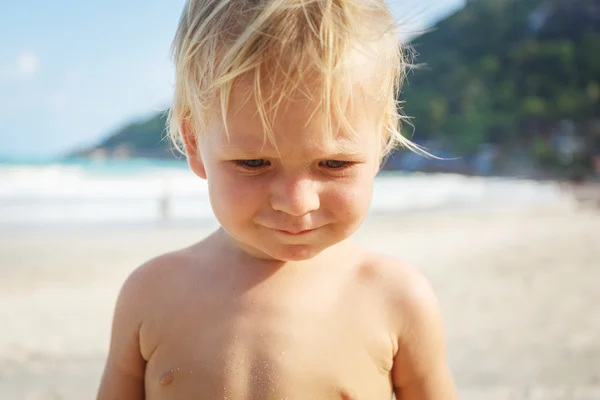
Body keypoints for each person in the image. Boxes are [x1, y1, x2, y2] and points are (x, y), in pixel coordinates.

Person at [97, 0, 458, 399]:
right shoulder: (152, 294)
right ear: (195, 144)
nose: (296, 202)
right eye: (253, 162)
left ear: (382, 143)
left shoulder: (396, 299)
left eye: (334, 163)